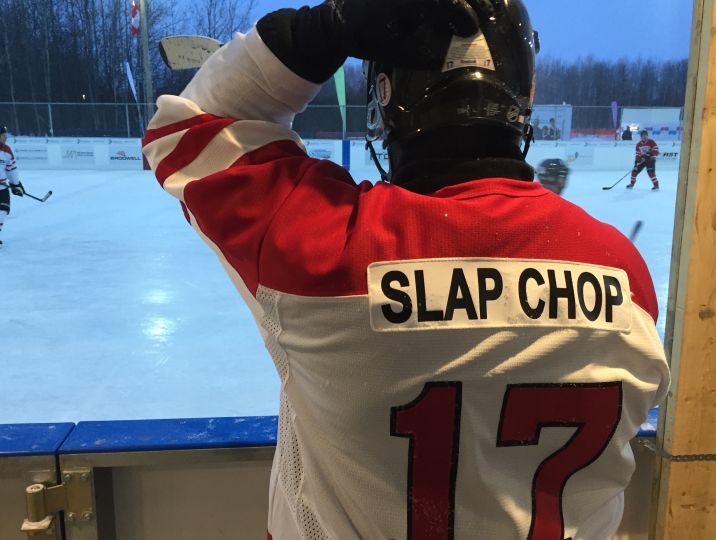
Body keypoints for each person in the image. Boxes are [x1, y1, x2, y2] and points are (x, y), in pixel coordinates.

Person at [143, 1, 670, 538]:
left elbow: (187, 129)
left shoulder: (319, 245)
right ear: (524, 95)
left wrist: (319, 30)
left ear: (387, 98)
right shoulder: (624, 273)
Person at [0, 126, 25, 246]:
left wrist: (16, 184)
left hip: (2, 187)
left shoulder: (6, 150)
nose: (6, 137)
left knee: (3, 211)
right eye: (3, 135)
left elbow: (11, 169)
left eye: (6, 135)